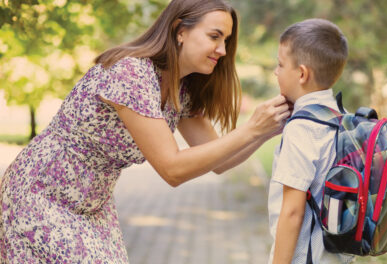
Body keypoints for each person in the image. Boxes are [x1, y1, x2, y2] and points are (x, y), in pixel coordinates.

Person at [0, 0, 291, 262]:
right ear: (180, 30)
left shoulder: (182, 90)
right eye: (214, 36)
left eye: (225, 40)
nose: (223, 50)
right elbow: (172, 169)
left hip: (93, 205)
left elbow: (220, 161)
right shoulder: (131, 73)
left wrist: (268, 128)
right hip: (41, 195)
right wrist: (252, 127)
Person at [267, 18, 354, 264]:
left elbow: (293, 212)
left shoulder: (302, 128)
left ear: (302, 74)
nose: (276, 71)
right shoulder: (343, 117)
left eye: (281, 64)